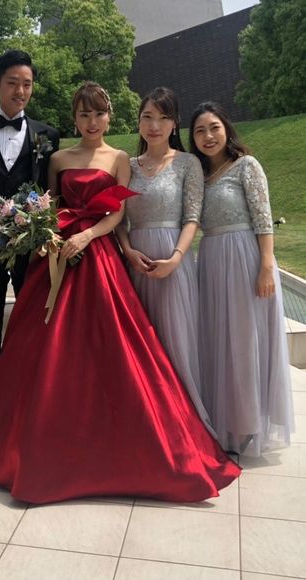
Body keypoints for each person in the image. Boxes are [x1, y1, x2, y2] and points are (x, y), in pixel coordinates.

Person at [0, 82, 241, 504]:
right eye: (84, 115)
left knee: (114, 343)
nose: (92, 122)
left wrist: (87, 236)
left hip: (98, 253)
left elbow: (117, 214)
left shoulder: (119, 159)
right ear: (75, 118)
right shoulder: (58, 158)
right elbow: (50, 205)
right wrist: (49, 236)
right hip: (58, 255)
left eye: (98, 114)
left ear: (109, 117)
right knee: (42, 343)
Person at [190, 101, 293, 456]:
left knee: (245, 341)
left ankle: (249, 424)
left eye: (214, 127)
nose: (208, 136)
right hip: (211, 260)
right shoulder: (198, 176)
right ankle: (226, 421)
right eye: (200, 131)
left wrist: (266, 265)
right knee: (220, 340)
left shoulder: (246, 166)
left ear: (226, 128)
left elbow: (263, 218)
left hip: (245, 259)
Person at [116, 87, 211, 429]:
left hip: (174, 262)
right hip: (135, 264)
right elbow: (118, 219)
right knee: (141, 346)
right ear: (138, 121)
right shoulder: (126, 166)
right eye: (147, 117)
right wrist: (127, 251)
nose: (154, 125)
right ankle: (147, 425)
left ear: (174, 123)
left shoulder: (187, 163)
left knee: (177, 343)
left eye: (163, 117)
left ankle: (184, 426)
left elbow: (192, 218)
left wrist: (175, 259)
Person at [0, 50, 60, 373]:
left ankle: (30, 383)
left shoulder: (46, 135)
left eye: (27, 84)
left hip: (30, 246)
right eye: (12, 83)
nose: (20, 91)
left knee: (33, 317)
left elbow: (48, 187)